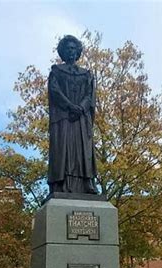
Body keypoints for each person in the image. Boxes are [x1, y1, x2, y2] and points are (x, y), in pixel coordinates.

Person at [47, 35, 98, 194]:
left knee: (83, 150)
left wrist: (81, 108)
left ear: (78, 52)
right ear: (63, 51)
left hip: (81, 118)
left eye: (74, 48)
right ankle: (61, 184)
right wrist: (70, 107)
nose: (71, 51)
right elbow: (55, 91)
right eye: (68, 48)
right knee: (64, 151)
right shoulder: (57, 71)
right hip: (63, 117)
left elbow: (90, 94)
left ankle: (86, 183)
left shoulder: (86, 74)